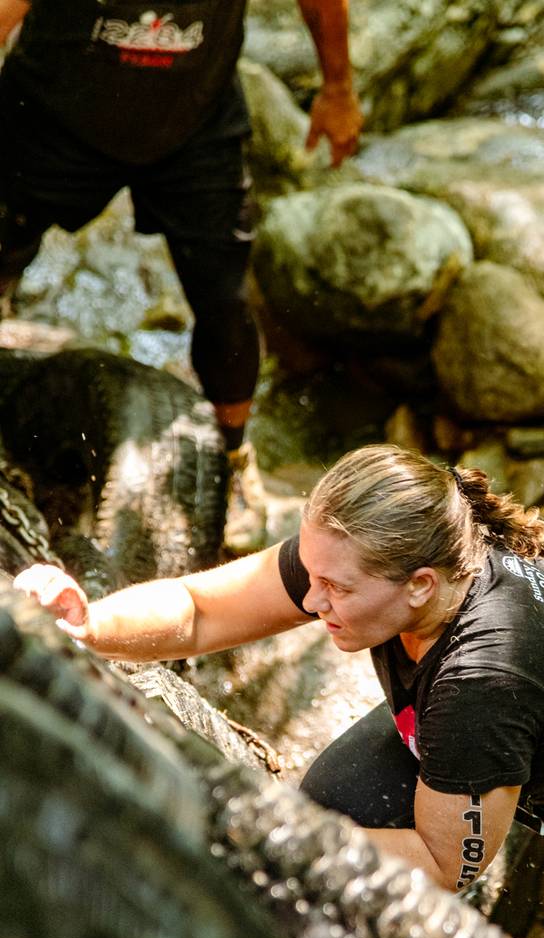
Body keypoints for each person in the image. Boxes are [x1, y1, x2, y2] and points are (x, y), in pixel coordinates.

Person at [14, 443, 544, 938]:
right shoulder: (391, 542)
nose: (310, 603)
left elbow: (450, 864)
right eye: (312, 575)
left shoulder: (481, 678)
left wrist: (245, 844)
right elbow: (202, 612)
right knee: (333, 806)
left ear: (419, 587)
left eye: (333, 589)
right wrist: (84, 626)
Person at [0, 0, 363, 553]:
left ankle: (236, 458)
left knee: (224, 303)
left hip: (194, 126)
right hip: (52, 118)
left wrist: (338, 89)